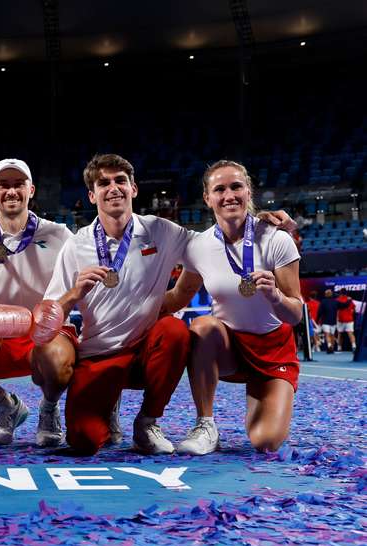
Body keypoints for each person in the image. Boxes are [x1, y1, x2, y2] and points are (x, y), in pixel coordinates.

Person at [41, 154, 294, 456]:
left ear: (133, 188)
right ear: (92, 194)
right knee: (84, 441)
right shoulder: (77, 244)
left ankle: (147, 422)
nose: (114, 188)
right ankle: (109, 404)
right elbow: (50, 309)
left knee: (175, 331)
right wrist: (74, 292)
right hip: (100, 353)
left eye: (120, 180)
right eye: (104, 183)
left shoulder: (162, 230)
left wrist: (264, 222)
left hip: (155, 350)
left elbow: (226, 238)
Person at [163, 160, 302, 455]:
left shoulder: (277, 239)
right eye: (220, 189)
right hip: (229, 349)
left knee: (264, 441)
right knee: (202, 326)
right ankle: (206, 425)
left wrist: (275, 295)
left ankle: (261, 393)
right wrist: (125, 303)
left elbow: (296, 313)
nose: (229, 195)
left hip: (273, 350)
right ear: (207, 198)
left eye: (236, 186)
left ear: (249, 191)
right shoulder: (198, 246)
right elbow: (178, 297)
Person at [0, 158, 77, 447]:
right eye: (4, 185)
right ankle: (7, 406)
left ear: (31, 190)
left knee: (56, 362)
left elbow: (79, 285)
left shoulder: (60, 235)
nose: (11, 191)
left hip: (48, 331)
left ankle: (49, 409)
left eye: (18, 184)